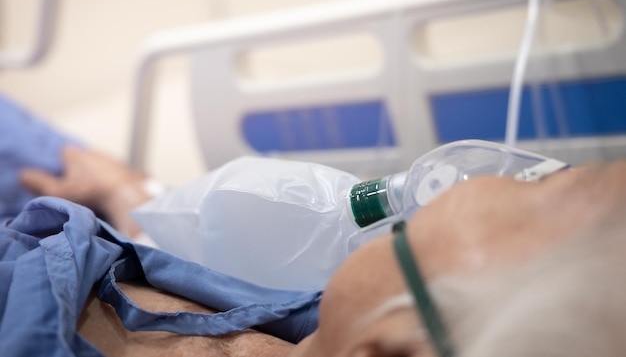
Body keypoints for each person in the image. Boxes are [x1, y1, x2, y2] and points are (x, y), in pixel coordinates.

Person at [14, 145, 626, 356]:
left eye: (553, 191)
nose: (498, 177)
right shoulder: (312, 316)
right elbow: (188, 252)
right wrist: (130, 190)